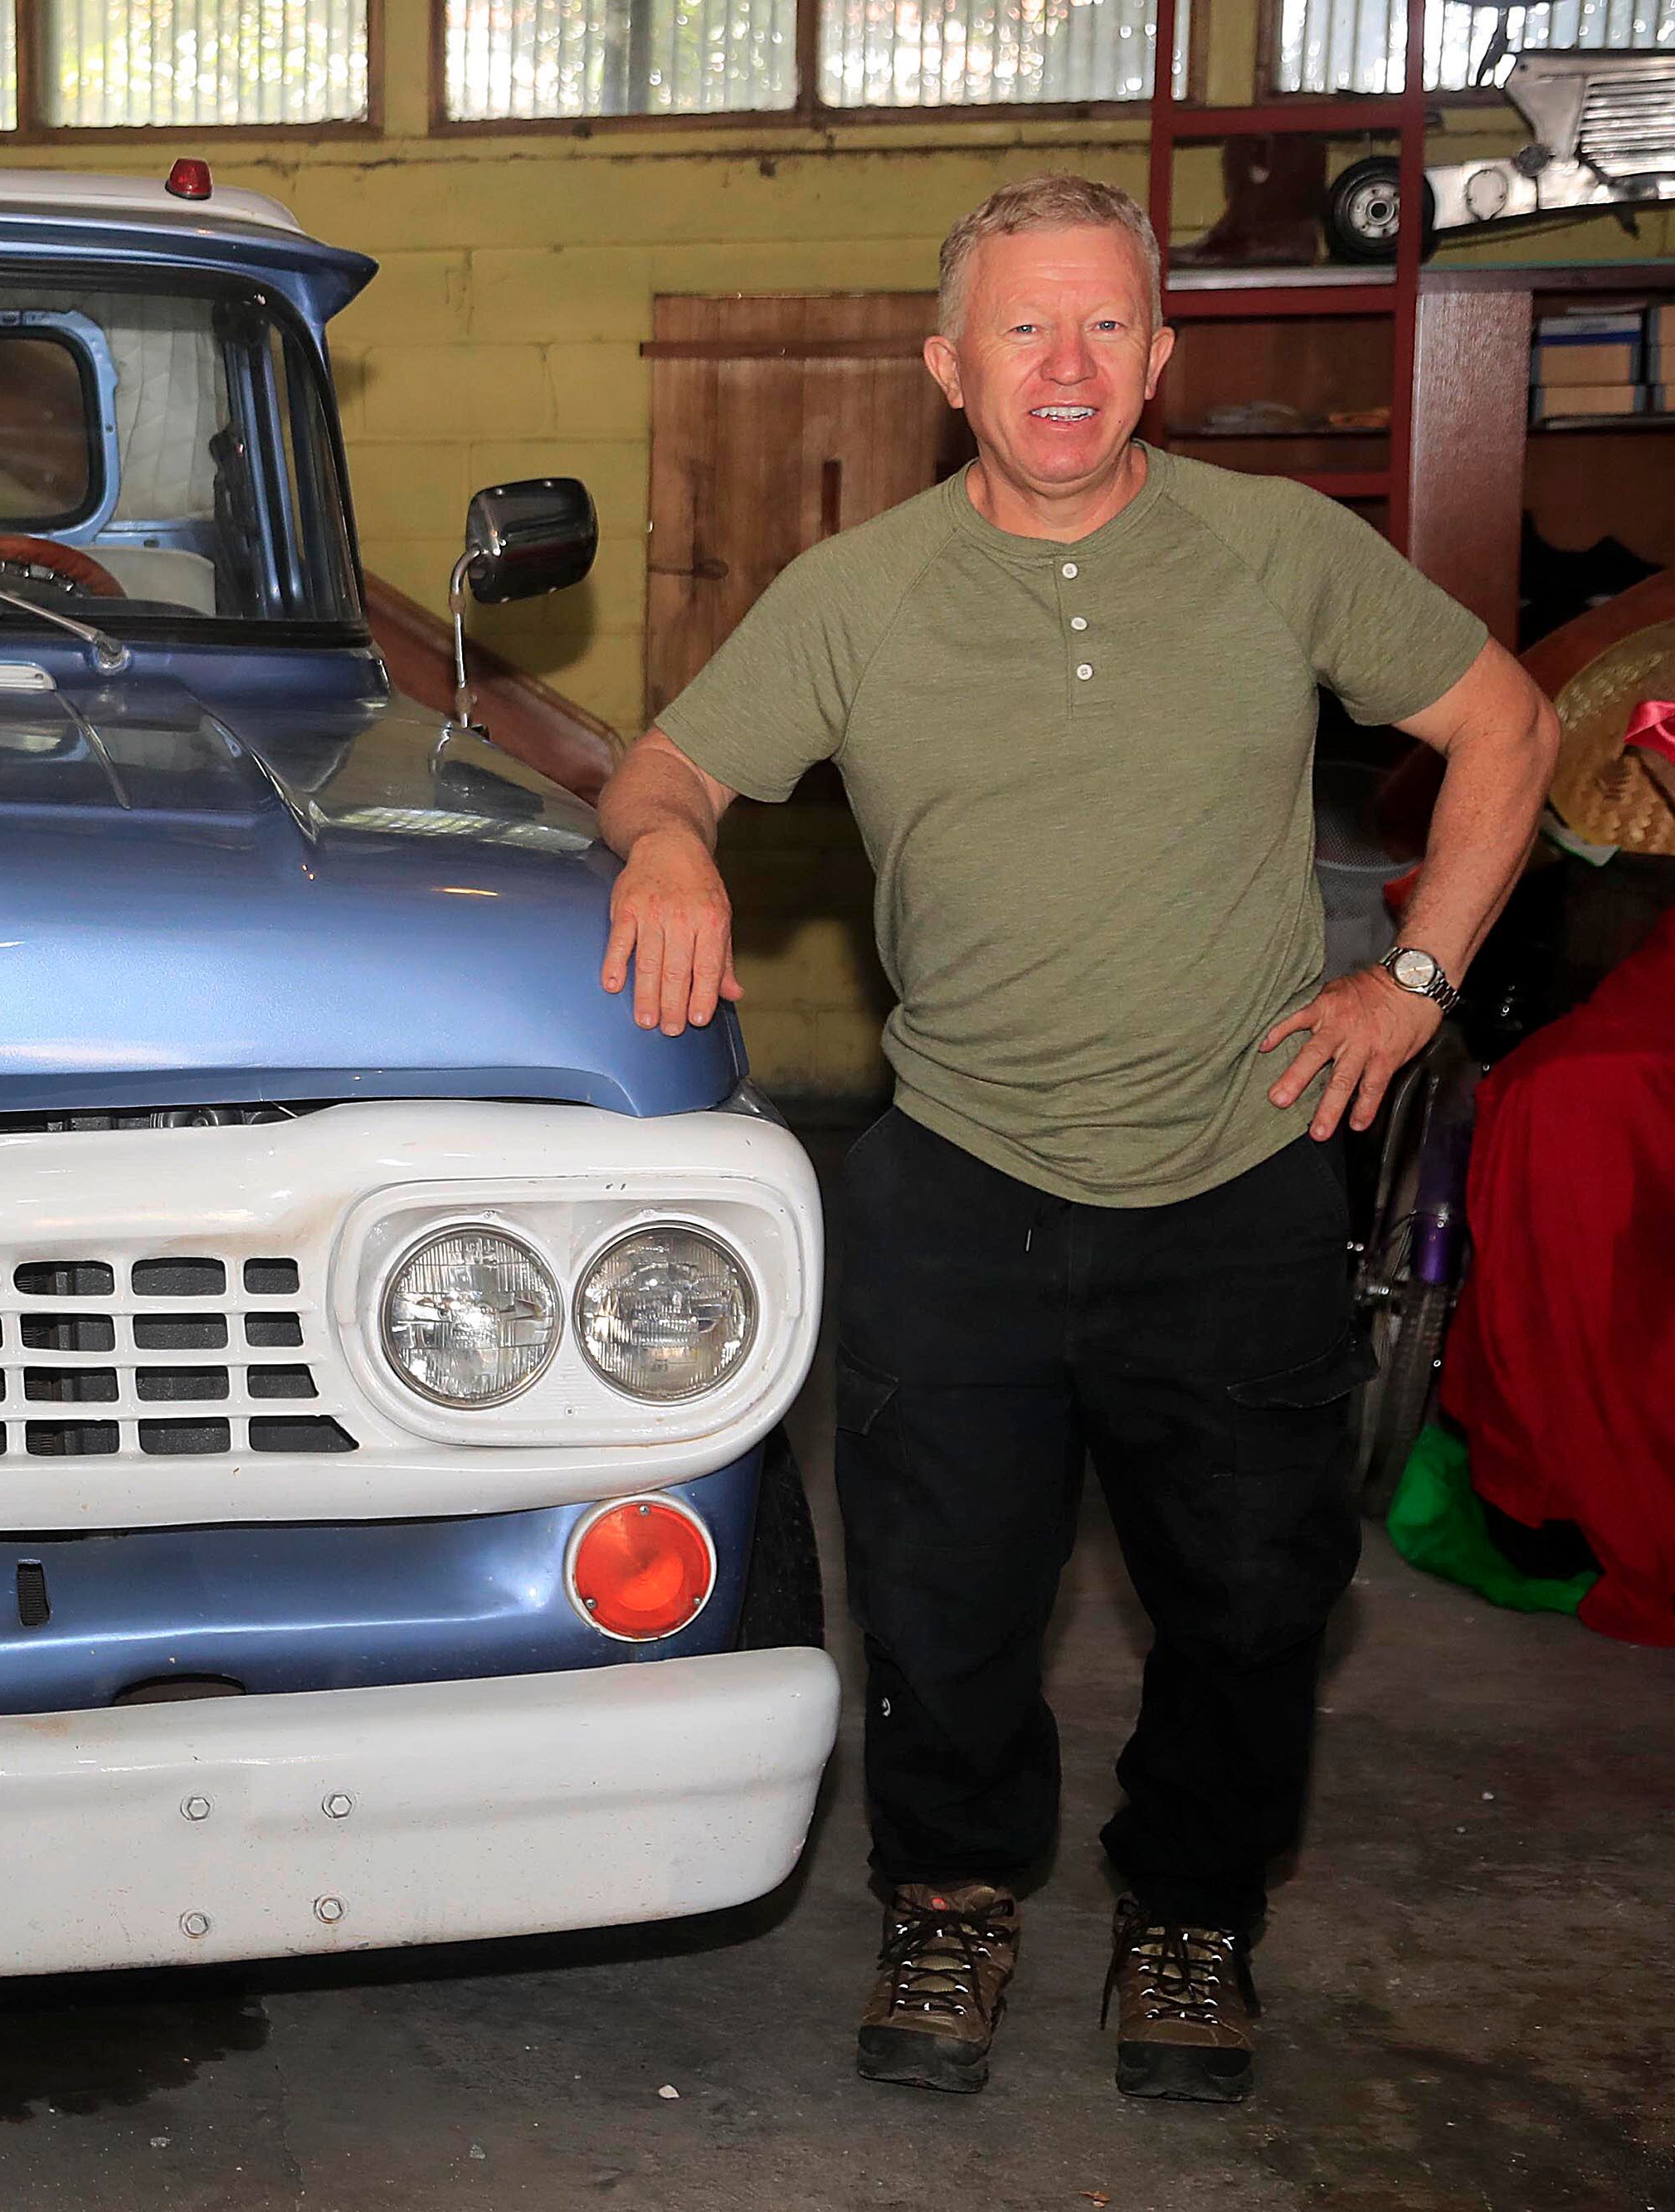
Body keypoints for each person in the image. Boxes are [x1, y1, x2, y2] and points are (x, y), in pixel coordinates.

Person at [594, 173, 1558, 2102]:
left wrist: (1415, 980)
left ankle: (1188, 1913)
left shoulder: (1277, 550)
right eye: (1022, 330)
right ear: (948, 368)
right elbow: (662, 759)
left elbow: (1507, 724)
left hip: (1233, 1173)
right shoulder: (856, 593)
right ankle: (949, 1895)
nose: (1065, 365)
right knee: (944, 1603)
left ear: (1157, 356)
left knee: (1251, 1596)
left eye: (1104, 325)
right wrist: (675, 835)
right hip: (957, 1179)